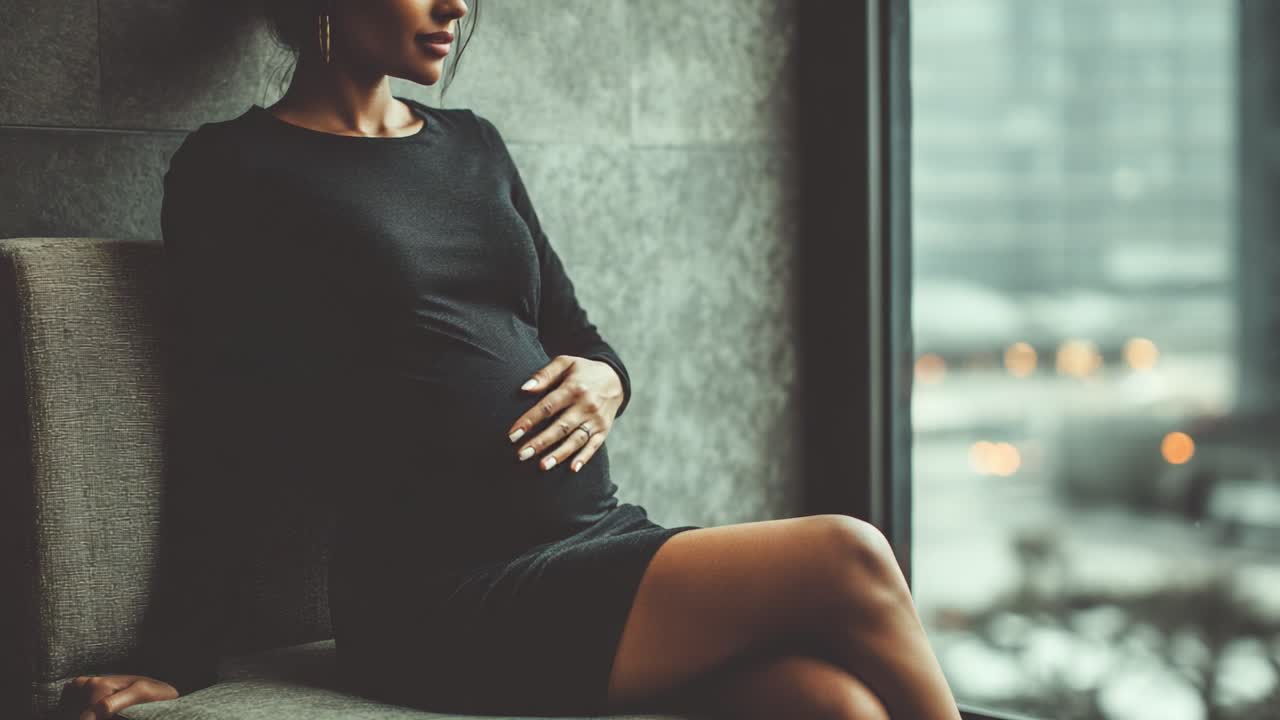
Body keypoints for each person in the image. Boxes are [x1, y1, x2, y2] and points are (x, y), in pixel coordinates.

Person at [71, 1, 963, 719]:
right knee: (848, 554)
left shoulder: (472, 145)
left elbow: (581, 336)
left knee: (829, 703)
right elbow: (227, 422)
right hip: (439, 594)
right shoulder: (237, 169)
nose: (456, 6)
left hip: (589, 539)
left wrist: (607, 381)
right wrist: (174, 662)